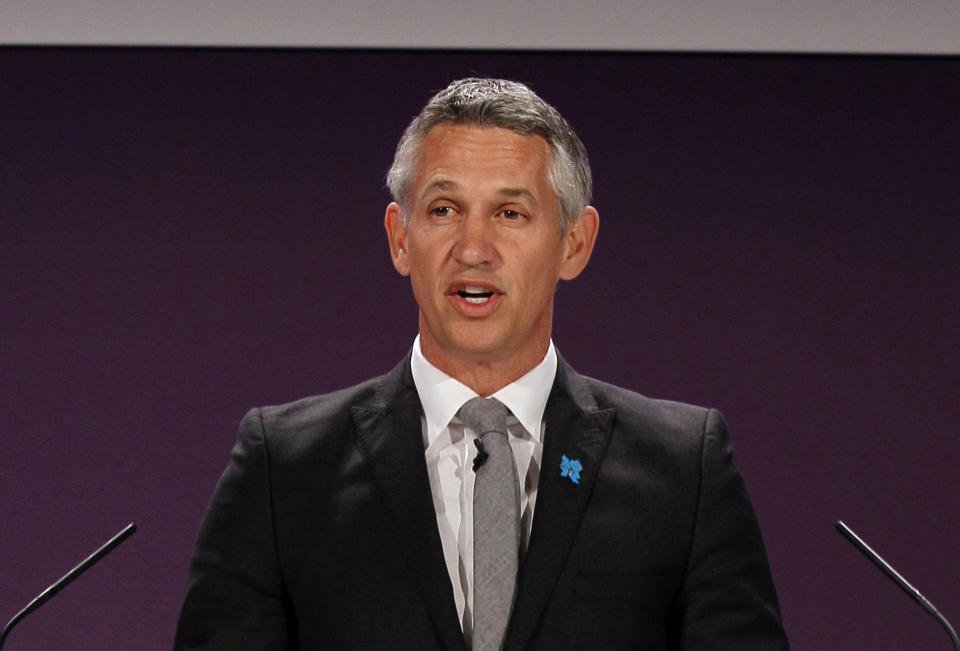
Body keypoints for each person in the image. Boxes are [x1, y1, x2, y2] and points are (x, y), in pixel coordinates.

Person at [175, 78, 789, 650]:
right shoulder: (285, 471)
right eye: (444, 209)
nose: (473, 249)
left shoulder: (684, 472)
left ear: (575, 243)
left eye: (510, 213)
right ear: (399, 236)